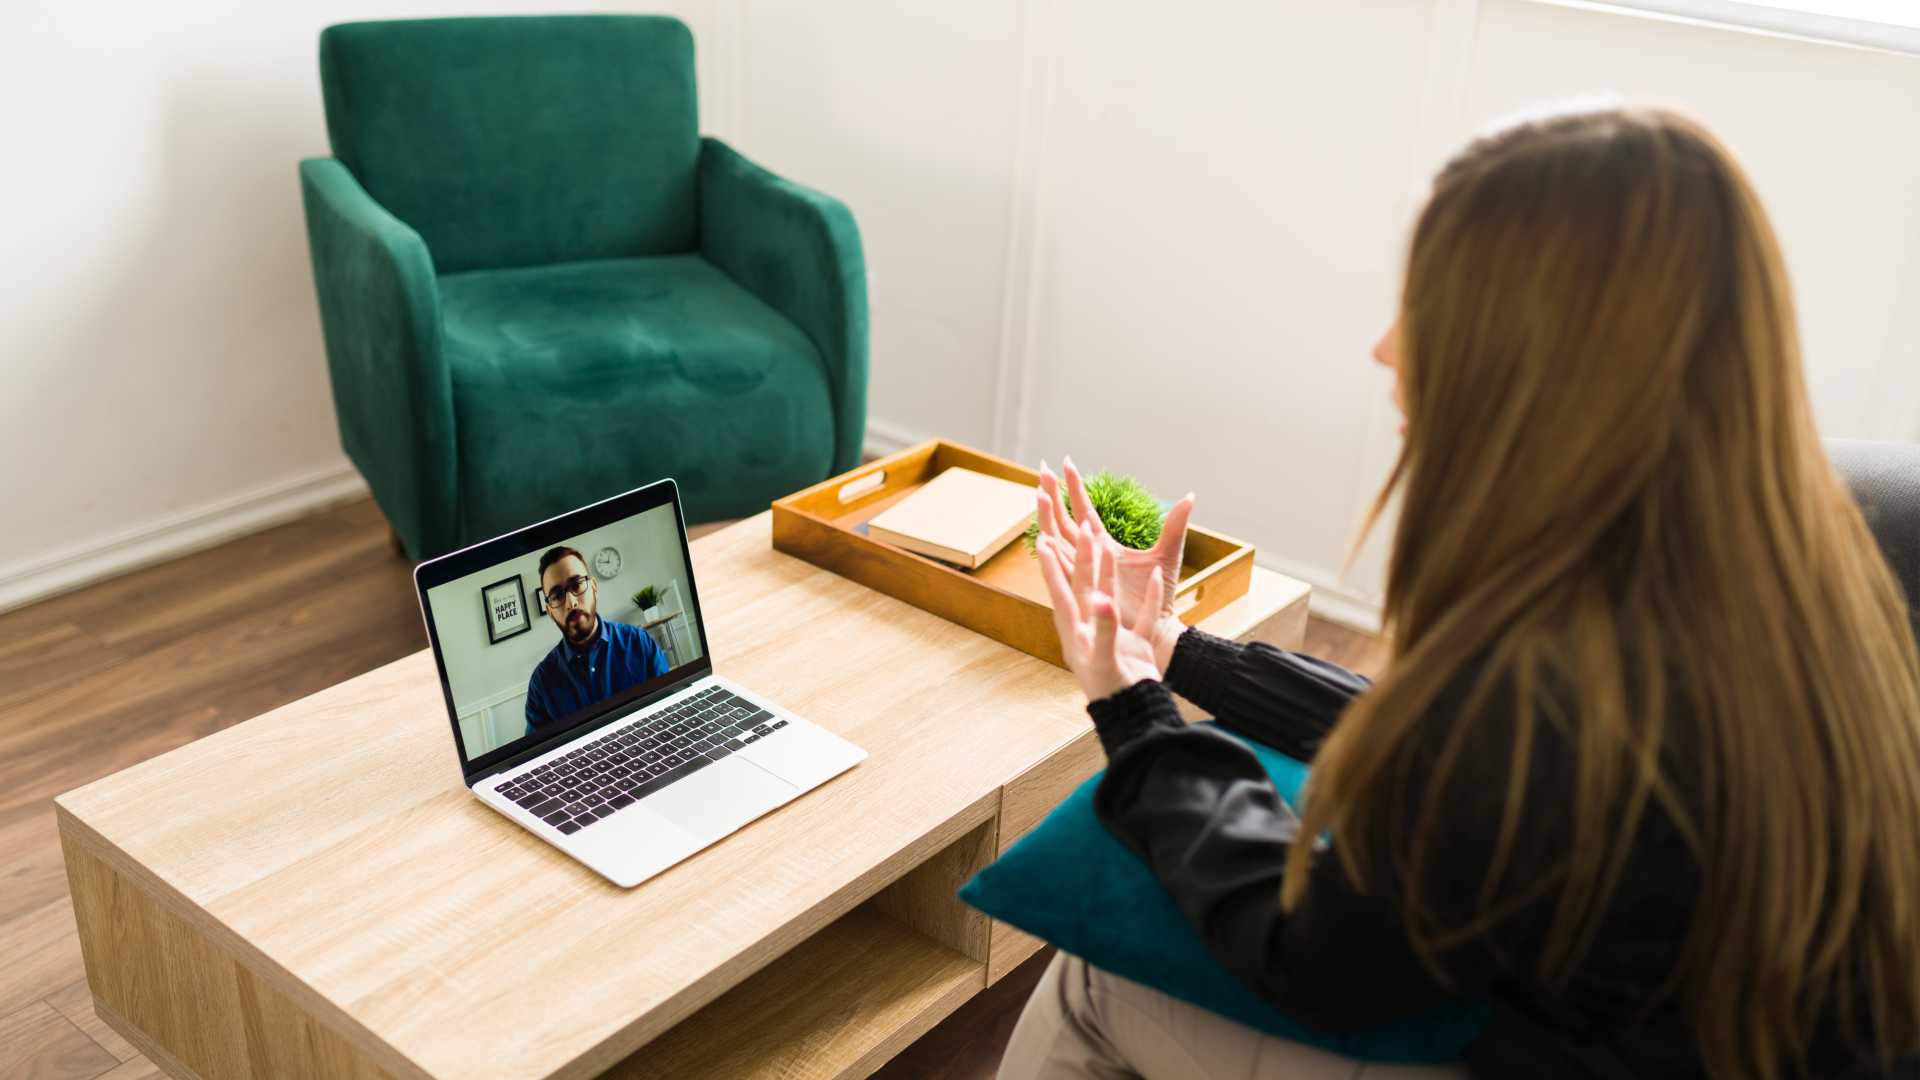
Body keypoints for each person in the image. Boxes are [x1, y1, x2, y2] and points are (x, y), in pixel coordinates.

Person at [1001, 104, 1920, 1079]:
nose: (1388, 349)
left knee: (1093, 979)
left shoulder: (1559, 654)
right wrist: (1183, 654)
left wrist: (1134, 713)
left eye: (1429, 304)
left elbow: (1311, 949)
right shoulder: (1776, 557)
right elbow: (1449, 760)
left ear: (1532, 353)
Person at [523, 545, 669, 734]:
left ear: (593, 588)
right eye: (557, 595)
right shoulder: (541, 684)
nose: (571, 602)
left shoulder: (638, 643)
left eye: (576, 585)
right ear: (550, 612)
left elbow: (669, 706)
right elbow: (537, 754)